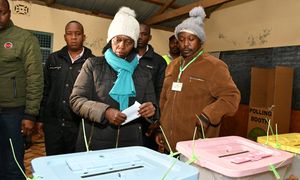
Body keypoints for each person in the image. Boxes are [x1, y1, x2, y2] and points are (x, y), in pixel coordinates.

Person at [70, 7, 158, 151]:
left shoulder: (143, 72)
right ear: (111, 39)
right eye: (118, 40)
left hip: (131, 144)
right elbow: (76, 100)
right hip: (96, 142)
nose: (121, 46)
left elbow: (152, 104)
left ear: (134, 44)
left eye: (128, 42)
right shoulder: (93, 65)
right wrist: (105, 111)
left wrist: (152, 110)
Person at [156, 6, 241, 152]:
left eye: (191, 39)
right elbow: (164, 101)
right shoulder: (172, 66)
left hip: (196, 147)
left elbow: (231, 97)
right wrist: (160, 129)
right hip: (168, 144)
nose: (185, 44)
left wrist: (209, 115)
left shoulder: (214, 66)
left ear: (200, 41)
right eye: (181, 39)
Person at [0, 0, 44, 179]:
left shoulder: (25, 38)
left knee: (13, 164)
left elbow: (35, 77)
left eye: (1, 12)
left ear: (10, 12)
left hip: (13, 114)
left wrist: (30, 114)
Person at [39, 21, 94, 156]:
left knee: (75, 163)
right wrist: (40, 118)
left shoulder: (93, 62)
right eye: (70, 34)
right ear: (65, 37)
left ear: (84, 37)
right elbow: (45, 89)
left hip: (78, 126)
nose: (73, 37)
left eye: (78, 34)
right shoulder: (53, 59)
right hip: (53, 124)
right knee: (53, 162)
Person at [137, 23, 167, 103]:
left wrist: (154, 107)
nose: (140, 37)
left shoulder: (159, 61)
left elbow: (161, 89)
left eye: (144, 34)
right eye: (137, 33)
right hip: (125, 108)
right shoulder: (125, 57)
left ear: (149, 37)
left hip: (148, 109)